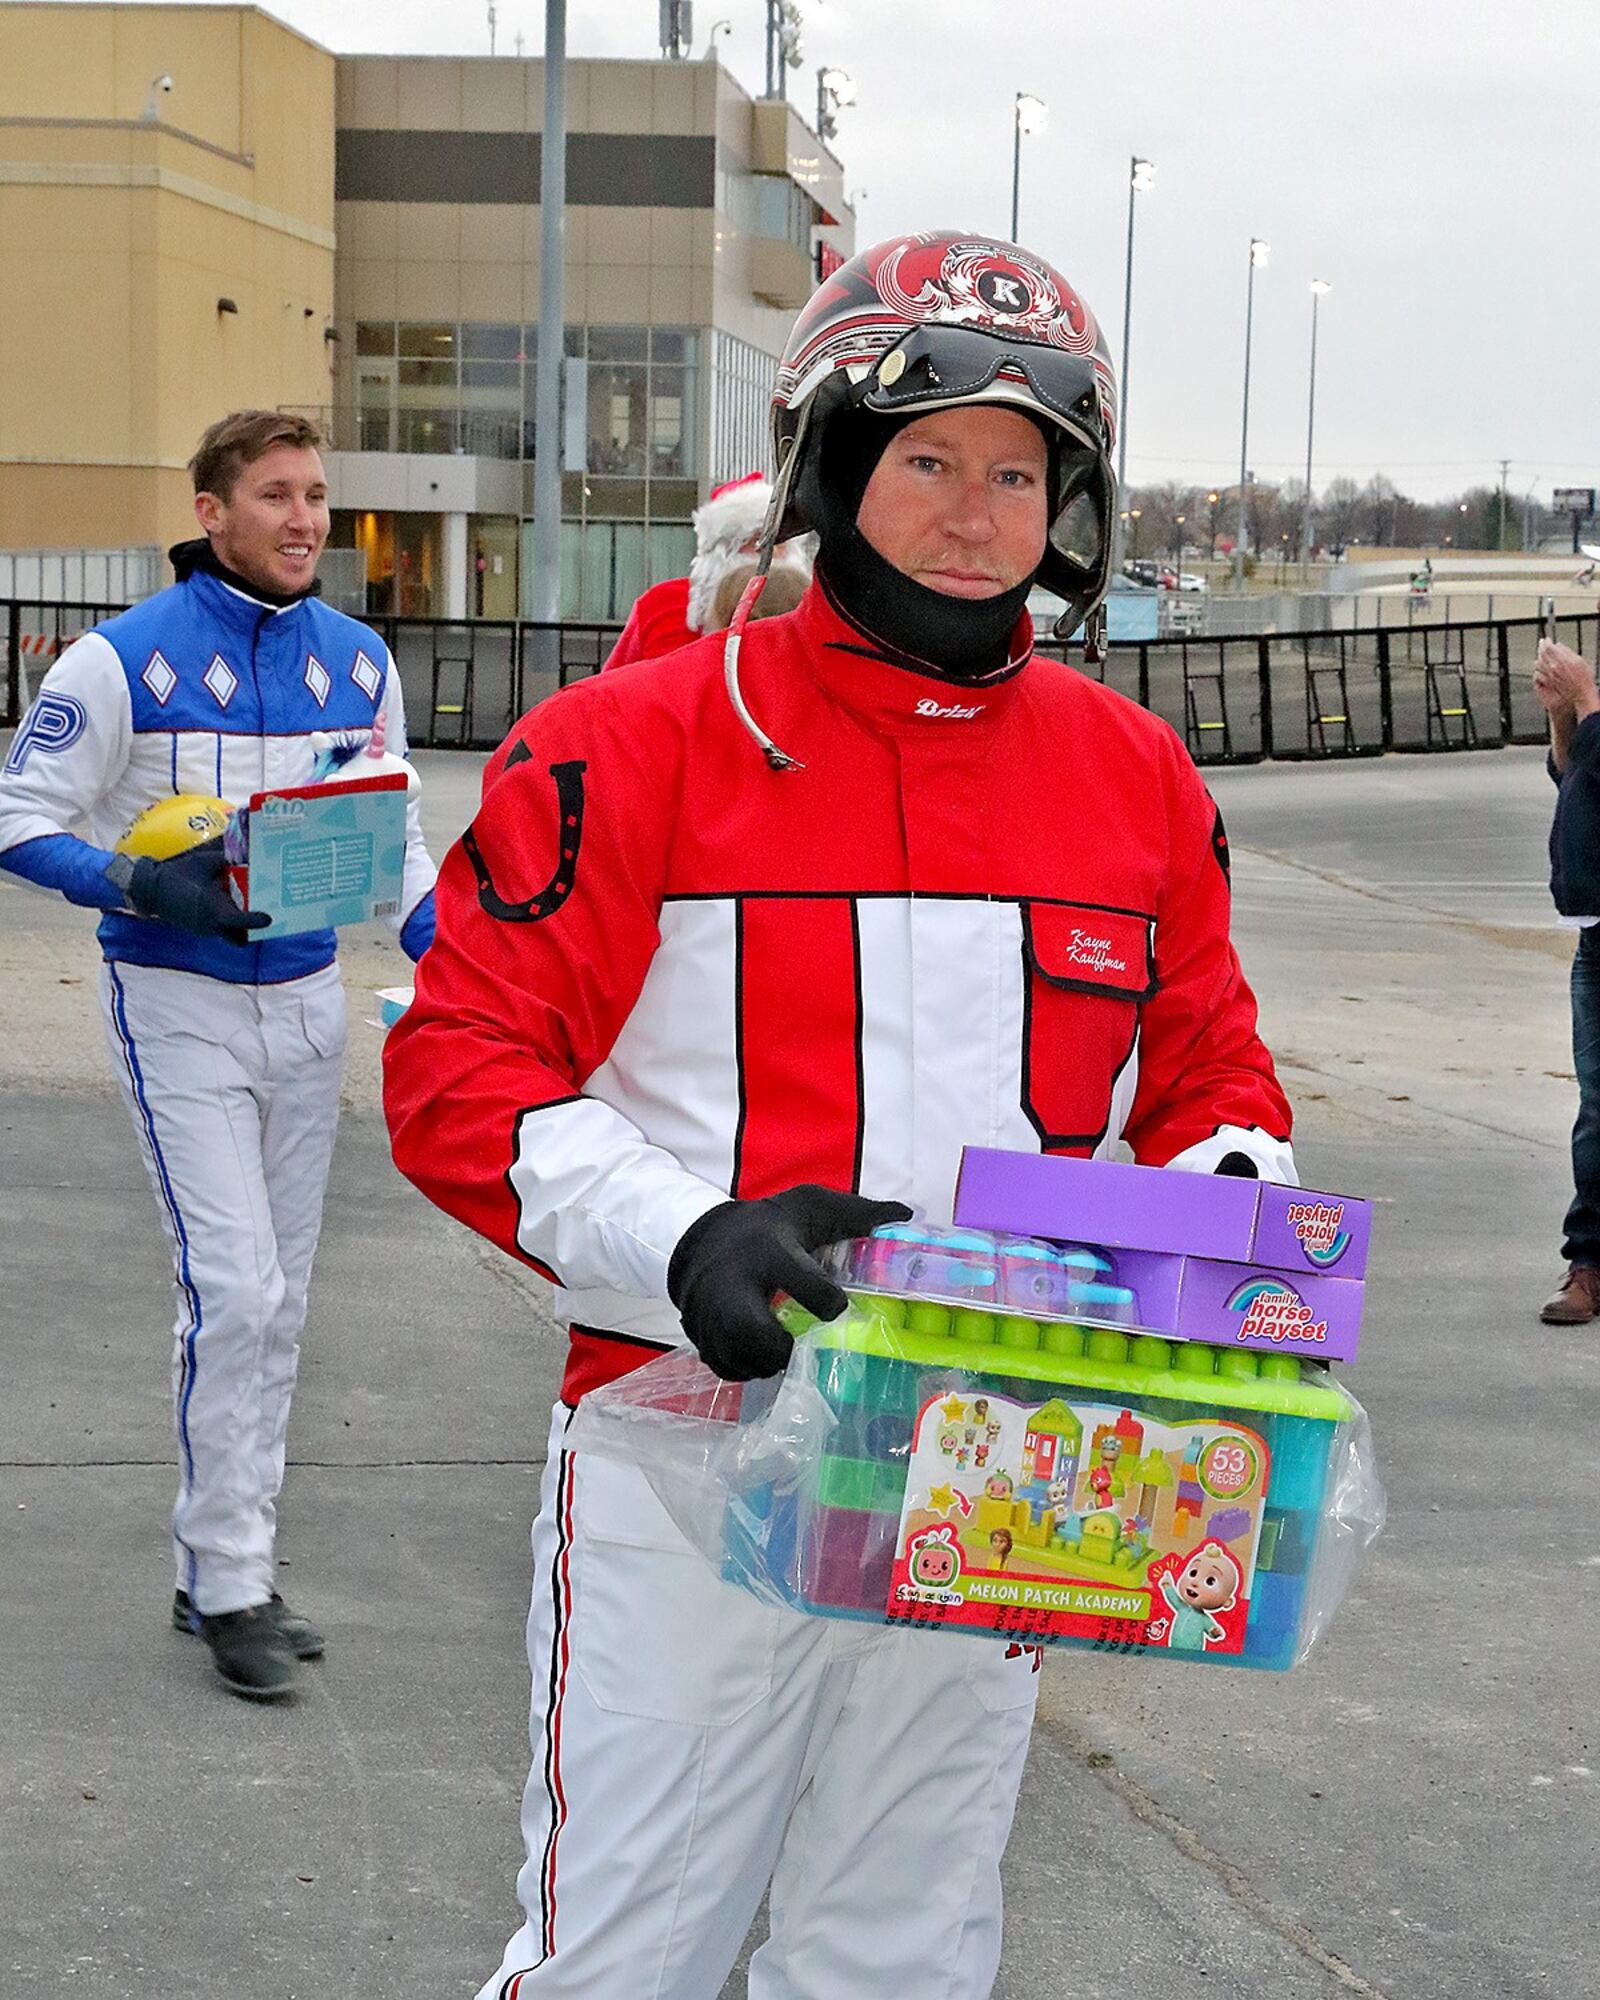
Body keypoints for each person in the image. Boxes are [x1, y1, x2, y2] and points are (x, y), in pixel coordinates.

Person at [383, 230, 1294, 1997]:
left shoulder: (1138, 781)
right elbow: (460, 1067)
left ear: (1073, 501)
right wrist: (682, 1239)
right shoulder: (628, 743)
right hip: (685, 1451)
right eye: (930, 460)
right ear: (830, 467)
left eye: (1019, 473)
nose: (974, 514)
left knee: (901, 1951)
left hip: (1004, 1460)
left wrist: (1239, 1225)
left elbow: (1207, 1080)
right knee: (623, 1954)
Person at [0, 410, 438, 1700]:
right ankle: (231, 1577)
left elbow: (398, 833)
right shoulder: (117, 658)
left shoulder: (359, 663)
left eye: (315, 495)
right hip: (176, 1008)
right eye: (276, 495)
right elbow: (17, 817)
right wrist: (141, 881)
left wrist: (453, 946)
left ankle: (226, 1566)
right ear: (211, 511)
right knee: (236, 1291)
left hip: (309, 1005)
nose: (305, 518)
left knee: (280, 1303)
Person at [1534, 637, 1600, 1323]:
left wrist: (1586, 699)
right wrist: (1563, 714)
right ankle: (1589, 1264)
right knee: (1596, 1111)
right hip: (1595, 937)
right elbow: (1573, 775)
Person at [601, 470, 814, 670]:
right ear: (722, 550)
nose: (773, 553)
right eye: (757, 541)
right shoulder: (660, 605)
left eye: (781, 541)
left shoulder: (815, 610)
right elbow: (608, 691)